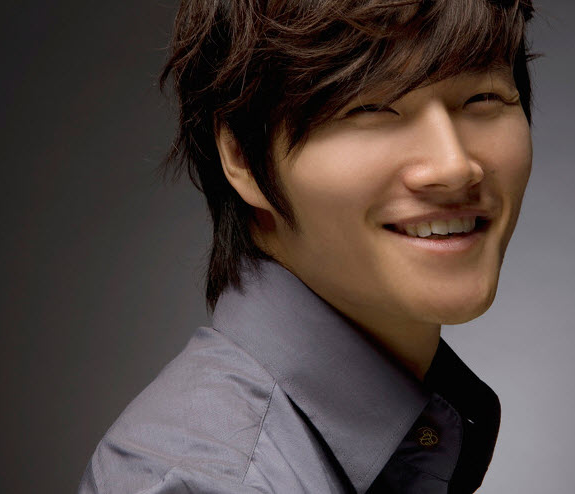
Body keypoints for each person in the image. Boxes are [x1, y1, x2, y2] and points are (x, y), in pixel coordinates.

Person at [79, 0, 537, 492]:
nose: (454, 166)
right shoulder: (208, 482)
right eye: (370, 107)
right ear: (242, 156)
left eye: (483, 98)